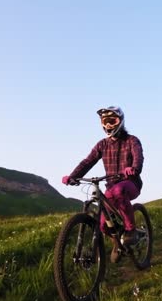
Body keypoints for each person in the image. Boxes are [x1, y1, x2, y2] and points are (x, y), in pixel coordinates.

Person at [62, 106, 144, 263]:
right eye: (105, 122)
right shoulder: (102, 145)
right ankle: (117, 244)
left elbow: (138, 157)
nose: (108, 125)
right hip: (111, 188)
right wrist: (73, 176)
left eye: (112, 121)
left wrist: (134, 169)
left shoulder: (132, 140)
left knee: (119, 190)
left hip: (131, 183)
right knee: (103, 225)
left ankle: (130, 230)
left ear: (120, 121)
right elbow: (88, 161)